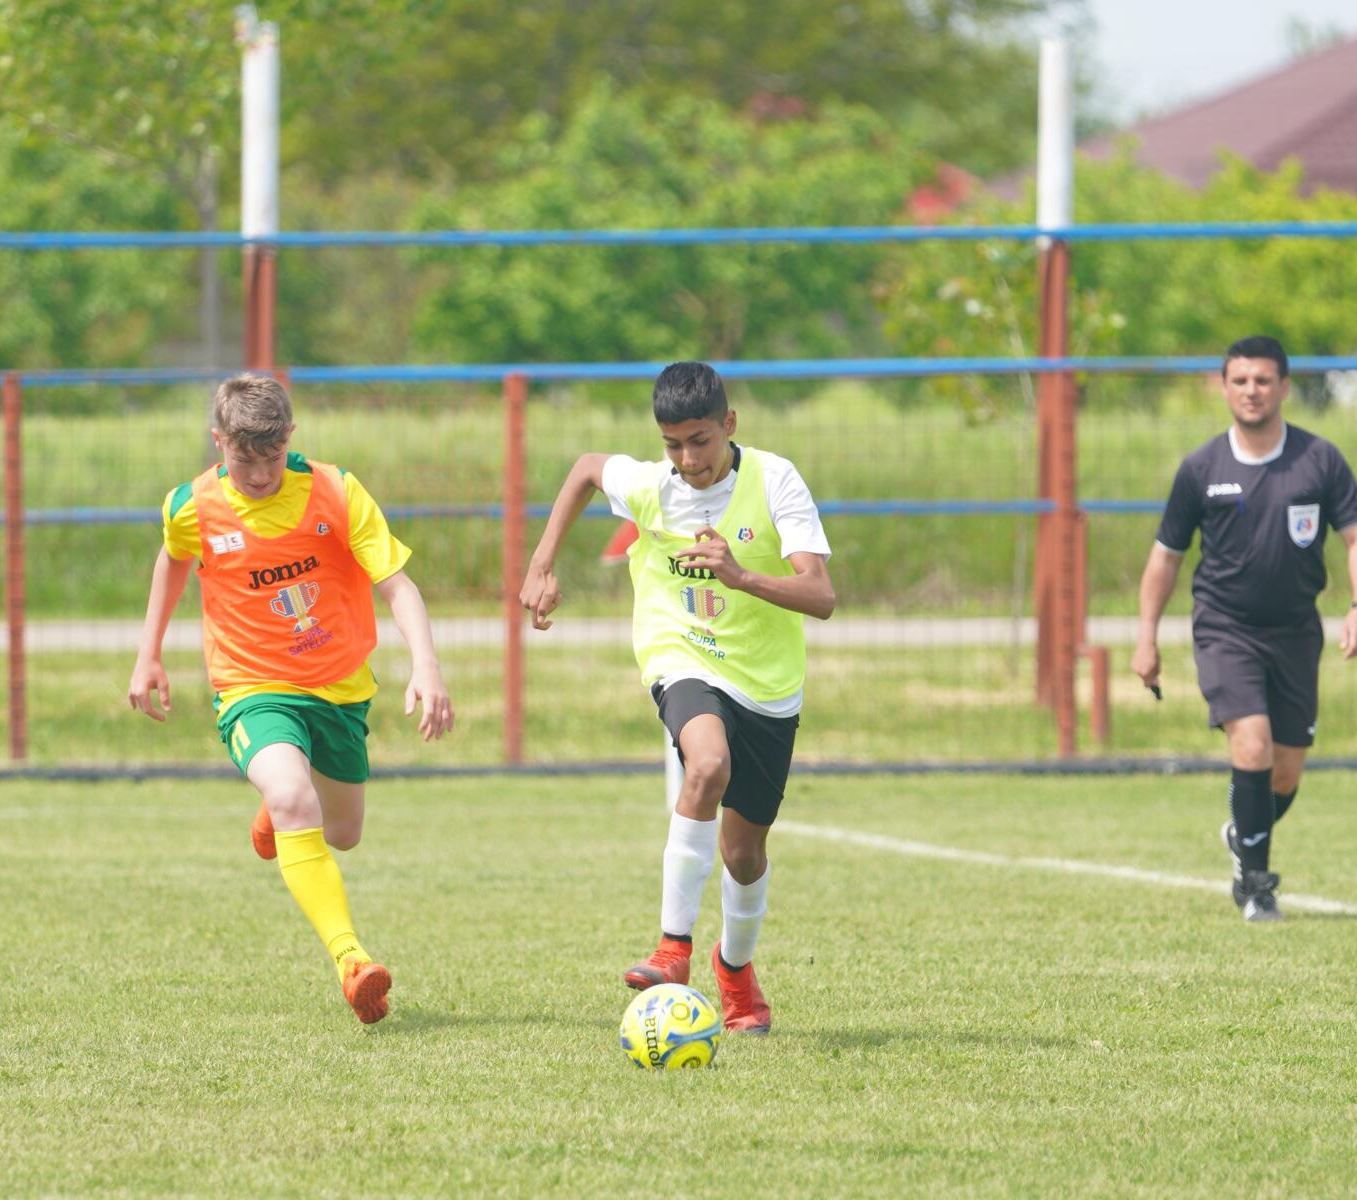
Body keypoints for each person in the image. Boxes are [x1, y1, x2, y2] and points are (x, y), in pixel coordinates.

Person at [519, 361, 834, 1033]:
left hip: (768, 684)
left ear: (729, 424)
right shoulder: (652, 485)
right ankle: (672, 948)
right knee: (707, 763)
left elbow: (821, 595)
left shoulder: (775, 480)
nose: (687, 460)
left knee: (743, 855)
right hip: (680, 653)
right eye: (672, 444)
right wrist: (542, 563)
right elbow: (585, 469)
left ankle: (735, 970)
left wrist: (741, 576)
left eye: (699, 441)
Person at [127, 374, 454, 1022]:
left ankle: (275, 810)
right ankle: (352, 962)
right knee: (294, 798)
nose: (258, 475)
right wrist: (149, 652)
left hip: (339, 690)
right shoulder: (192, 506)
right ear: (219, 441)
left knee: (344, 833)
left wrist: (427, 666)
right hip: (252, 686)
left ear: (291, 439)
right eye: (243, 459)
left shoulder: (336, 491)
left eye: (271, 459)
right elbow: (174, 558)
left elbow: (397, 585)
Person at [1132, 336, 1357, 922]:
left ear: (1284, 388)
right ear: (1224, 388)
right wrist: (1146, 636)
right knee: (1252, 745)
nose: (1251, 391)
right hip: (1225, 627)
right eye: (1240, 381)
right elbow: (1166, 556)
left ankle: (1241, 834)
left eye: (1263, 380)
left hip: (1295, 632)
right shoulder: (1201, 468)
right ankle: (1258, 888)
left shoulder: (1319, 460)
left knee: (1285, 773)